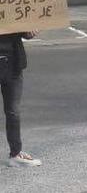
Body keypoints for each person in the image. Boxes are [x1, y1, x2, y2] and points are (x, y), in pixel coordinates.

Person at [0, 30, 42, 167]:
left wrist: (29, 32)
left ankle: (15, 154)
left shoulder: (13, 7)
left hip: (13, 63)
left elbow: (23, 30)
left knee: (13, 112)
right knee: (13, 111)